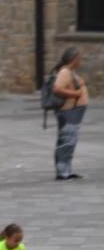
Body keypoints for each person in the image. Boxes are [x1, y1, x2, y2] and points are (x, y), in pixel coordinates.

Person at [52, 47, 87, 180]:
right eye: (79, 58)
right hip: (69, 111)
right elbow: (57, 89)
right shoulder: (65, 72)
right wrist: (76, 93)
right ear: (74, 59)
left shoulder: (70, 71)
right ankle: (62, 172)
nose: (80, 60)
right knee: (67, 141)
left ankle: (67, 170)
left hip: (73, 111)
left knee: (69, 141)